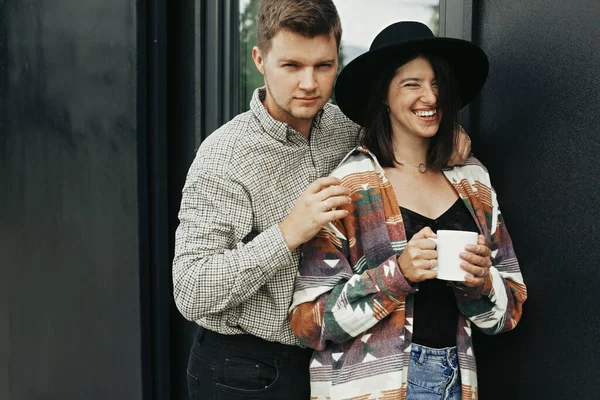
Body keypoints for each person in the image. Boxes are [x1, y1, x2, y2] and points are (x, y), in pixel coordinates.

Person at [172, 1, 471, 398]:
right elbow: (191, 291)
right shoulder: (224, 156)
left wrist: (446, 139)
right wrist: (288, 233)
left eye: (323, 66)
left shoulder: (347, 127)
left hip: (337, 362)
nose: (309, 83)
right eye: (292, 66)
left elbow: (405, 128)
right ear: (260, 59)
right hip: (244, 370)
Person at [289, 21, 527, 400]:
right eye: (412, 84)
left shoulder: (473, 179)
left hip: (457, 380)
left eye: (437, 84)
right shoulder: (347, 187)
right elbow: (308, 323)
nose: (429, 98)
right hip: (372, 388)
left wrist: (480, 282)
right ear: (384, 93)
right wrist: (397, 274)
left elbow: (510, 309)